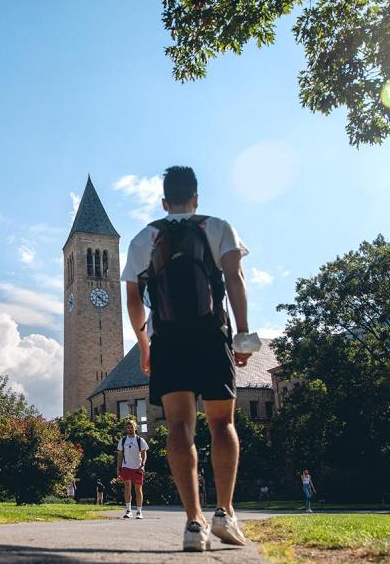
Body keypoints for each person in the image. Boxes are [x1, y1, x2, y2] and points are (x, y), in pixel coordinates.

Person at [122, 166, 259, 551]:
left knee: (179, 426)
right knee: (222, 424)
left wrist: (144, 344)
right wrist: (243, 335)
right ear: (196, 198)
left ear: (164, 202)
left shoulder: (143, 238)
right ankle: (224, 513)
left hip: (166, 339)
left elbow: (133, 301)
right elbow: (235, 278)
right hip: (211, 335)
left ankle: (193, 524)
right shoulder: (218, 227)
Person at [116, 419, 148, 519]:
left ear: (135, 428)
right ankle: (128, 510)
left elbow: (144, 454)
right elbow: (120, 455)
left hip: (137, 467)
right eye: (128, 428)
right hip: (126, 467)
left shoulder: (140, 440)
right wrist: (118, 467)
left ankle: (139, 511)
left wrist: (142, 465)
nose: (130, 429)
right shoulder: (123, 440)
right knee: (127, 487)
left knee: (138, 489)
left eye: (132, 427)